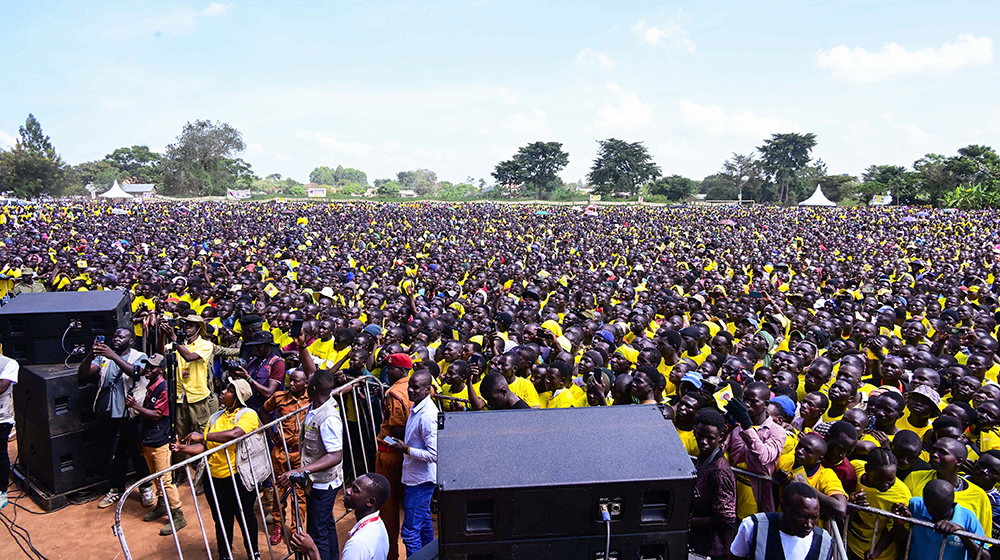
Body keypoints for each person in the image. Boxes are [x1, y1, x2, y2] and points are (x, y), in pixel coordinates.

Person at [172, 379, 261, 560]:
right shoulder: (215, 417)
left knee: (245, 516)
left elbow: (234, 434)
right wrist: (182, 449)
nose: (223, 392)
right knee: (221, 519)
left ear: (238, 397)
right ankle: (224, 554)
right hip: (213, 477)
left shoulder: (248, 414)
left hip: (237, 477)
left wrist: (202, 435)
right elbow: (205, 447)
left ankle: (254, 553)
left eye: (229, 390)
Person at [78, 328, 153, 509]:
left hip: (130, 413)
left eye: (122, 336)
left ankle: (146, 488)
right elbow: (84, 373)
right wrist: (90, 354)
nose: (116, 338)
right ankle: (116, 489)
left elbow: (136, 372)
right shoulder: (103, 357)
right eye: (115, 336)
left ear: (131, 341)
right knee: (115, 452)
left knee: (137, 453)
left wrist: (113, 356)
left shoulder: (139, 355)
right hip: (109, 412)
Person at [279, 369, 344, 560]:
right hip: (316, 481)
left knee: (317, 534)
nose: (304, 384)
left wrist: (298, 470)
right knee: (326, 525)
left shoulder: (328, 417)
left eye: (308, 382)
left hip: (323, 484)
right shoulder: (316, 404)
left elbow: (335, 456)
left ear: (313, 388)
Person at [126, 354, 187, 535]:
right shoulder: (151, 386)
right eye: (147, 367)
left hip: (160, 441)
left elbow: (156, 415)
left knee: (165, 480)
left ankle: (178, 515)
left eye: (153, 367)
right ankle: (162, 505)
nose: (148, 370)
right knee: (155, 477)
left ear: (161, 369)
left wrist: (135, 407)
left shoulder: (164, 389)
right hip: (148, 440)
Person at [387, 369, 438, 556]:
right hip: (415, 477)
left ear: (427, 389)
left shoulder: (428, 416)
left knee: (409, 533)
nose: (410, 391)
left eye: (416, 388)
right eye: (410, 386)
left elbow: (434, 454)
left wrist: (406, 449)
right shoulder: (418, 407)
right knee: (424, 523)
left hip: (420, 481)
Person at [291, 473, 391, 560]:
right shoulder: (379, 525)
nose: (347, 490)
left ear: (370, 501)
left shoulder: (358, 545)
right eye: (351, 486)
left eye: (355, 490)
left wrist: (312, 550)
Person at [262, 368, 310, 546]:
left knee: (299, 493)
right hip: (281, 452)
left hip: (301, 453)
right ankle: (277, 526)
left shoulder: (310, 398)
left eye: (296, 381)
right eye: (290, 380)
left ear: (305, 384)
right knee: (278, 490)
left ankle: (297, 528)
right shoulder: (279, 397)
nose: (291, 384)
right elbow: (264, 410)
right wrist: (270, 431)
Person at [725, 381, 788, 519]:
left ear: (765, 405)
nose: (747, 404)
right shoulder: (737, 424)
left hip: (757, 496)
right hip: (732, 492)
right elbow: (722, 448)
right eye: (745, 399)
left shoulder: (777, 432)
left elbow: (764, 456)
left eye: (753, 401)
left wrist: (747, 425)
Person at [730, 482, 834, 560]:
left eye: (815, 517)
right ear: (783, 507)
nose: (809, 525)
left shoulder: (824, 543)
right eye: (801, 516)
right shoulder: (753, 526)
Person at [375, 353, 413, 560]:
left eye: (390, 369)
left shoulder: (395, 392)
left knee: (388, 508)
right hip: (413, 456)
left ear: (401, 371)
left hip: (391, 454)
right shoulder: (425, 386)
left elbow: (398, 428)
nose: (388, 372)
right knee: (412, 506)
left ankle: (391, 554)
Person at [893, 479, 988, 560]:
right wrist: (899, 522)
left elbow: (986, 557)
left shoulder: (967, 517)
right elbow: (901, 540)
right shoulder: (916, 505)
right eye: (928, 506)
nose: (931, 511)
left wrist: (963, 535)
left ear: (952, 504)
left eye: (938, 509)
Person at [847, 448, 911, 560]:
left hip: (879, 556)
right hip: (849, 545)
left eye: (891, 479)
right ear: (867, 469)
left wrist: (876, 552)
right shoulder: (855, 467)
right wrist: (850, 505)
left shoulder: (901, 495)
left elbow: (895, 533)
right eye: (878, 479)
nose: (885, 484)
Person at [689, 407, 737, 558]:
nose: (703, 442)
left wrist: (688, 521)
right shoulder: (704, 457)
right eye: (700, 436)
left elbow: (725, 519)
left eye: (709, 438)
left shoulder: (720, 471)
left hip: (712, 547)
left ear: (721, 436)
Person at [0, 354, 17, 510]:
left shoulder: (9, 364)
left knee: (0, 455)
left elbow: (1, 387)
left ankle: (2, 491)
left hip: (2, 419)